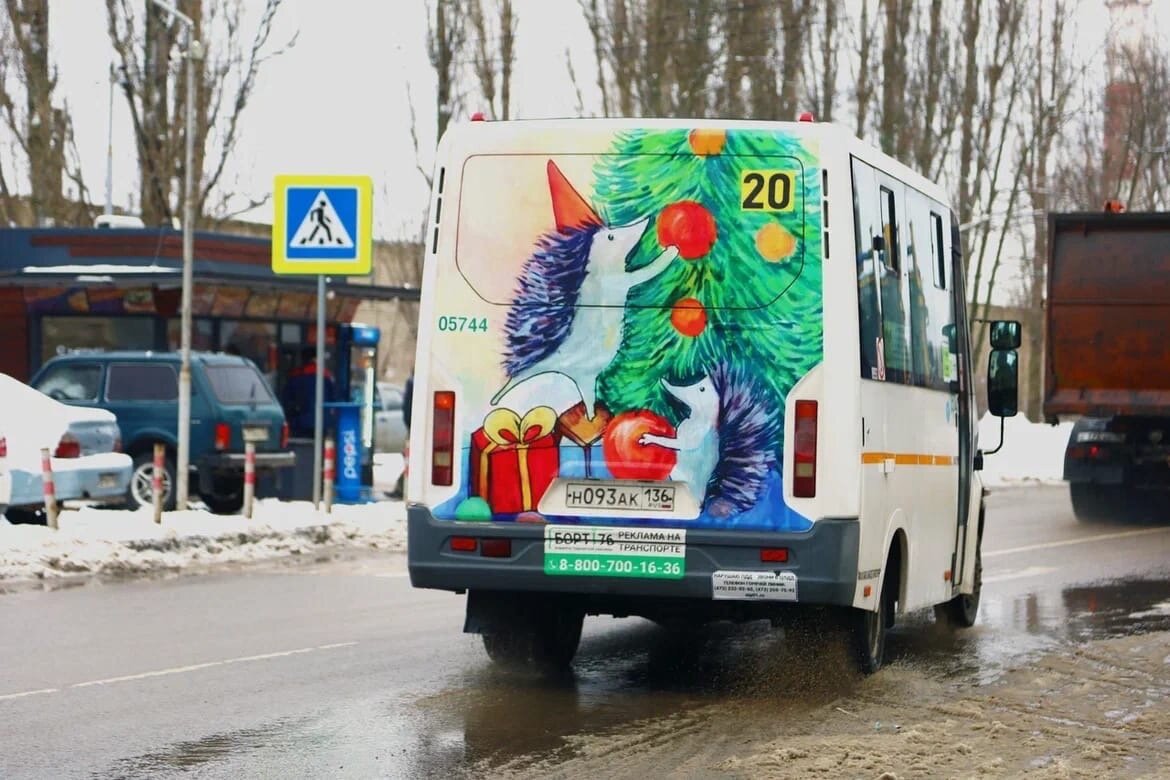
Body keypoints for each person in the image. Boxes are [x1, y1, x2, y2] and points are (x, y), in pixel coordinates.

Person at [281, 347, 335, 438]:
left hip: (300, 422)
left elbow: (286, 400)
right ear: (316, 358)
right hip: (322, 422)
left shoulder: (296, 376)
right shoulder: (326, 376)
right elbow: (333, 398)